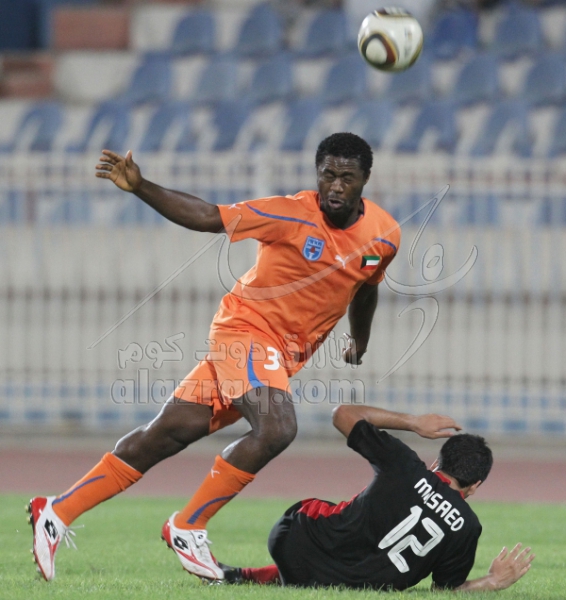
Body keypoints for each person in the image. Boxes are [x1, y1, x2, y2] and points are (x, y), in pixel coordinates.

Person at [27, 132, 401, 582]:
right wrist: (141, 186)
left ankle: (56, 511)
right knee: (277, 427)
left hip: (277, 358)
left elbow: (366, 287)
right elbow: (208, 217)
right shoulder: (289, 213)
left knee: (166, 434)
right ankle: (188, 525)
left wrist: (359, 339)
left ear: (365, 179)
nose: (335, 186)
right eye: (328, 175)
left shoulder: (385, 235)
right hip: (245, 333)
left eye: (347, 177)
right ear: (317, 174)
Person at [219, 404, 535, 592]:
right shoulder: (467, 526)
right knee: (360, 559)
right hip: (362, 583)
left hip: (293, 542)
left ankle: (240, 576)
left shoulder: (406, 463)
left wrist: (414, 422)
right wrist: (492, 581)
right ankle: (251, 576)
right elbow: (444, 592)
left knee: (342, 523)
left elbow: (343, 414)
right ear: (475, 486)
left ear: (436, 463)